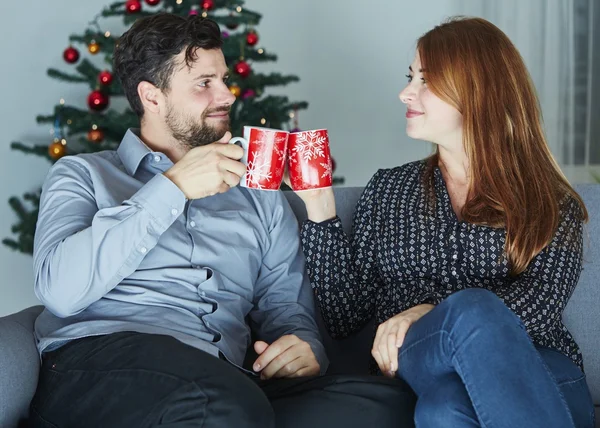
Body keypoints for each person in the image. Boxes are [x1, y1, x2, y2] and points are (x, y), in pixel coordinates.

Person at [26, 13, 416, 428]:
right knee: (220, 402)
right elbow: (59, 291)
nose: (227, 96)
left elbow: (286, 309)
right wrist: (172, 188)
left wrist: (303, 349)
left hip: (223, 380)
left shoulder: (259, 199)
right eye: (204, 83)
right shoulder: (82, 175)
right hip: (102, 362)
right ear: (152, 97)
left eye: (224, 80)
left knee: (388, 406)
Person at [293, 17, 596, 428]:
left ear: (477, 91)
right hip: (419, 365)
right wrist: (319, 207)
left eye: (425, 80)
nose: (405, 93)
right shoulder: (388, 190)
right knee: (470, 313)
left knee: (445, 409)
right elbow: (346, 316)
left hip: (543, 374)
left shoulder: (546, 198)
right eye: (410, 77)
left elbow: (540, 307)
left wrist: (425, 310)